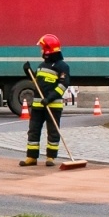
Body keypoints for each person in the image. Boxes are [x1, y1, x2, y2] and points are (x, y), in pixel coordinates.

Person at [22, 34, 70, 167]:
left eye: (42, 48)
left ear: (48, 50)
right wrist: (28, 71)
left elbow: (63, 85)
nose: (41, 51)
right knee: (33, 130)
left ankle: (50, 157)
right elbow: (37, 82)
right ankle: (31, 157)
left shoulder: (62, 66)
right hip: (38, 106)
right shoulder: (42, 65)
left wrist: (49, 98)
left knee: (53, 131)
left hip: (53, 105)